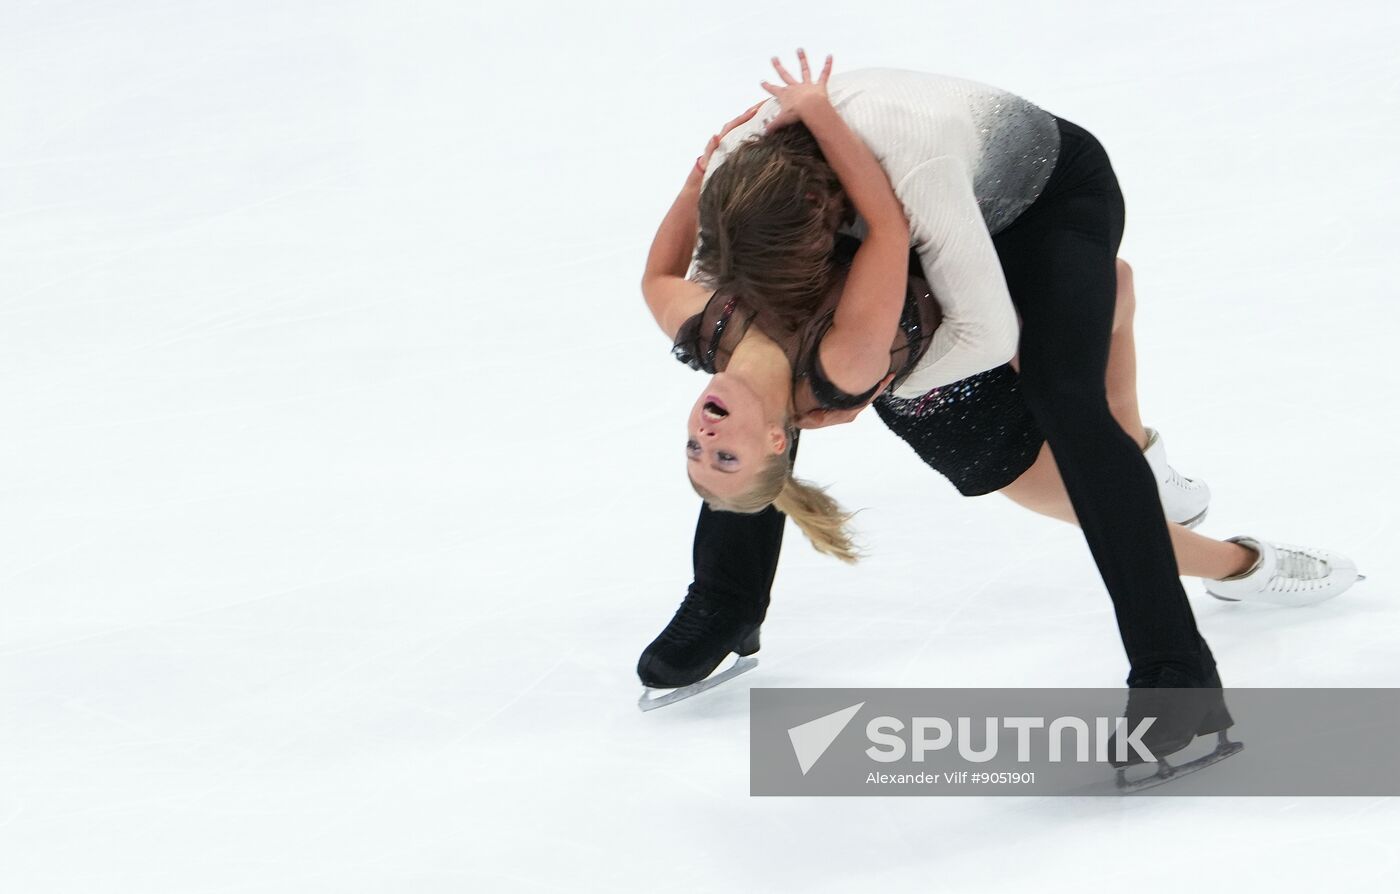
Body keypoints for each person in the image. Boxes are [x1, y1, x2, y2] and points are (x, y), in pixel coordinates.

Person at [637, 56, 1361, 753]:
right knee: (772, 377)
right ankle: (729, 599)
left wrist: (869, 387)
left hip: (1042, 200)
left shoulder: (908, 181)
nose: (704, 429)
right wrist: (805, 381)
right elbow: (709, 294)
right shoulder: (741, 204)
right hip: (877, 234)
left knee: (1061, 398)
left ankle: (1182, 671)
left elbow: (985, 334)